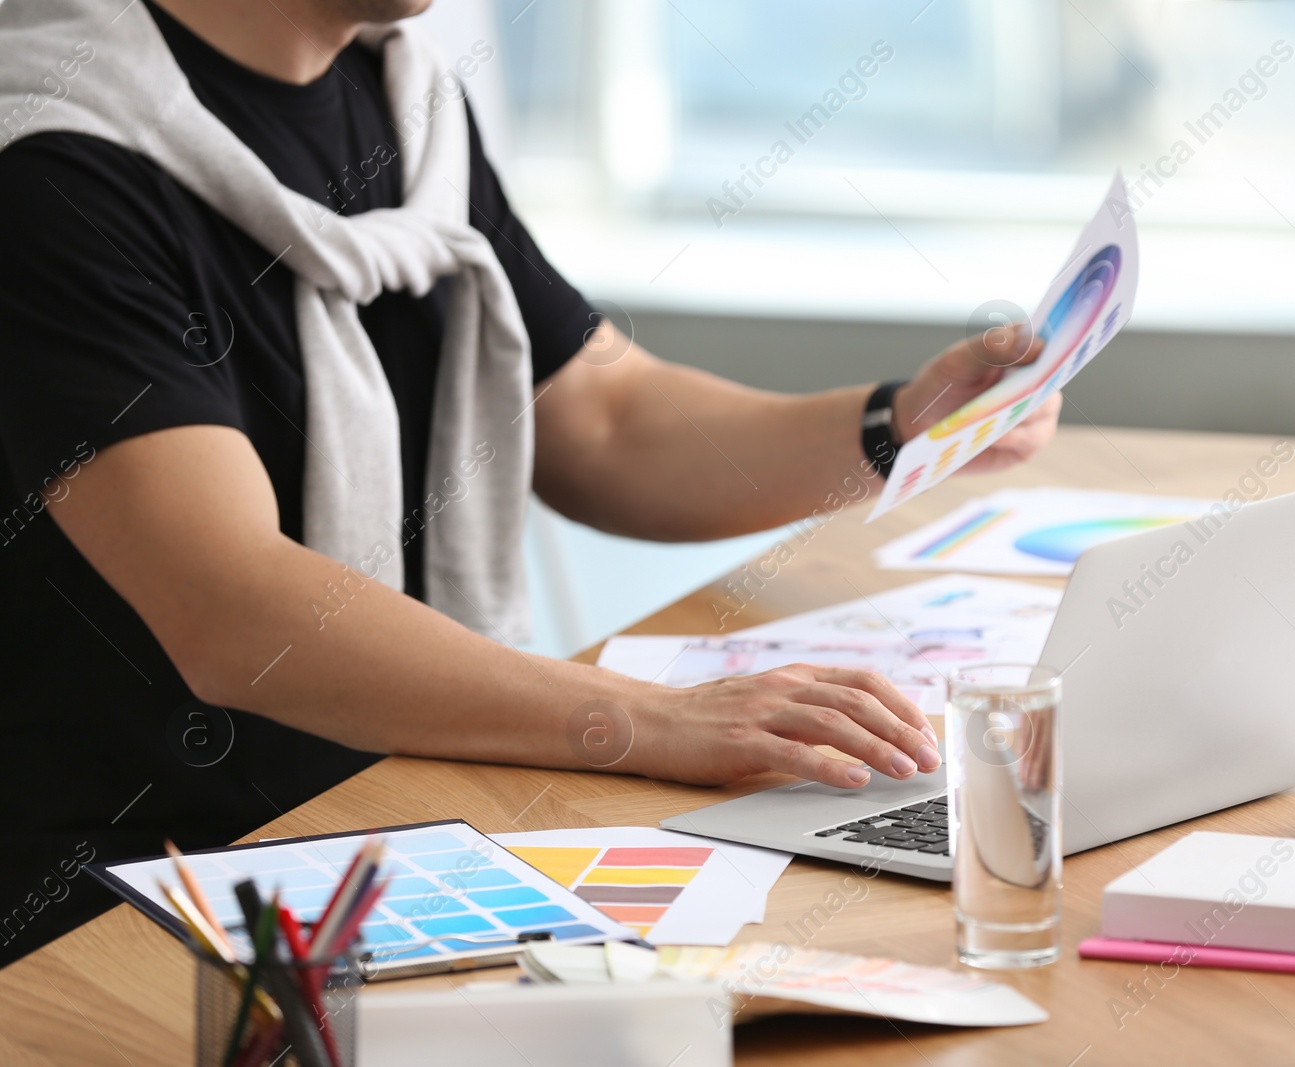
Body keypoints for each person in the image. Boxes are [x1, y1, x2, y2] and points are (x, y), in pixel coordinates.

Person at [0, 0, 1059, 965]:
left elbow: (601, 417)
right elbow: (230, 603)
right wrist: (646, 718)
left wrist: (895, 425)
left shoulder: (401, 99)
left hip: (384, 812)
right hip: (133, 899)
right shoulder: (54, 166)